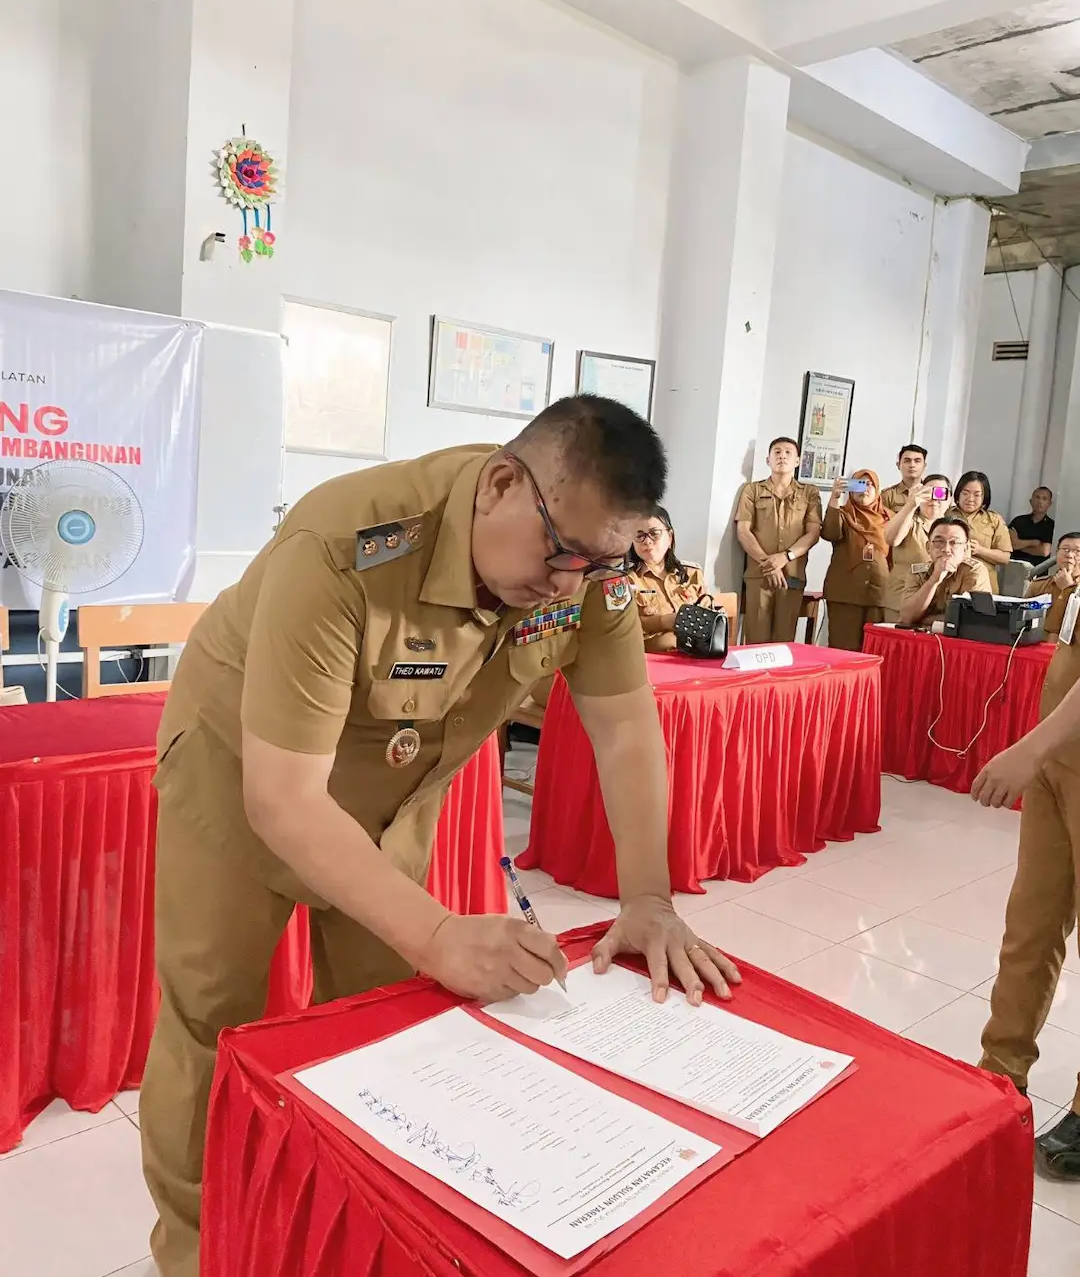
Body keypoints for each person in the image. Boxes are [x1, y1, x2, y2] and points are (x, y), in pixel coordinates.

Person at [140, 395, 741, 1277]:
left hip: (394, 796)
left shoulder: (590, 569)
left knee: (384, 1021)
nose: (572, 585)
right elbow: (285, 801)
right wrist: (436, 932)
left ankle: (350, 1226)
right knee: (214, 1020)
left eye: (599, 564)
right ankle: (193, 1252)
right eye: (561, 556)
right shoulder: (345, 546)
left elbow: (625, 730)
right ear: (502, 484)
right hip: (241, 778)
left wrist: (649, 899)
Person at [978, 616, 1080, 1180]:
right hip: (1059, 754)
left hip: (1052, 747)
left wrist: (1029, 748)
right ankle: (1001, 1068)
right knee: (1031, 924)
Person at [734, 436, 823, 644]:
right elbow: (744, 531)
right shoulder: (752, 490)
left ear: (798, 461)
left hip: (792, 575)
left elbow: (813, 533)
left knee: (784, 642)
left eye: (787, 453)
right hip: (759, 575)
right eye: (777, 452)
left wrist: (786, 557)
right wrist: (769, 564)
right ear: (768, 460)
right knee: (755, 641)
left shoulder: (809, 493)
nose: (782, 456)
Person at [821, 469, 904, 651]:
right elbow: (830, 532)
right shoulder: (843, 514)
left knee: (872, 651)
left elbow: (897, 554)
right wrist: (835, 497)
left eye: (869, 485)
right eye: (858, 484)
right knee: (842, 650)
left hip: (879, 595)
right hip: (845, 595)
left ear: (877, 489)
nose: (864, 490)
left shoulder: (890, 518)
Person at [627, 507, 710, 654]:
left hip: (696, 655)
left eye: (654, 534)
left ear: (670, 537)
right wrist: (666, 621)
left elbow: (708, 615)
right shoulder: (627, 580)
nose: (647, 541)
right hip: (651, 659)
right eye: (640, 536)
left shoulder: (691, 573)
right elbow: (623, 628)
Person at [882, 473, 952, 621]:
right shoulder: (909, 520)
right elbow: (891, 539)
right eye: (928, 492)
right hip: (901, 601)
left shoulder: (955, 530)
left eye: (940, 493)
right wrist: (910, 504)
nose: (934, 499)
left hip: (937, 605)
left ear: (950, 499)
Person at [898, 517, 993, 626]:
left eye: (954, 543)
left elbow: (970, 619)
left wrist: (923, 619)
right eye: (939, 542)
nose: (946, 549)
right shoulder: (917, 572)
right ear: (928, 547)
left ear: (965, 549)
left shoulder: (974, 570)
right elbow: (906, 618)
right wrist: (933, 580)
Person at [953, 470, 1012, 591]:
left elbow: (1005, 557)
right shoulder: (945, 515)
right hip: (951, 582)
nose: (970, 498)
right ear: (958, 494)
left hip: (983, 585)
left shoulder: (994, 520)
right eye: (965, 493)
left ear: (984, 497)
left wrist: (980, 550)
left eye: (976, 494)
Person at [1026, 532, 1080, 636]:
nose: (1069, 555)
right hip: (1038, 644)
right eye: (1065, 549)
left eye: (1077, 551)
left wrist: (1068, 589)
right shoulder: (1039, 585)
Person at [1009, 486, 1056, 567]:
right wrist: (1034, 542)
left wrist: (1019, 545)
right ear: (1031, 501)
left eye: (1044, 499)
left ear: (1049, 504)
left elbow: (1044, 551)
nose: (1040, 501)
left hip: (1038, 570)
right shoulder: (1018, 521)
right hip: (1014, 566)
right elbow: (1011, 544)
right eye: (1037, 497)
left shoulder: (1051, 525)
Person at [880, 443, 928, 514]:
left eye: (917, 461)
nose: (912, 465)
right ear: (898, 465)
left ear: (924, 466)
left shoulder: (931, 492)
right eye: (907, 461)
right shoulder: (888, 495)